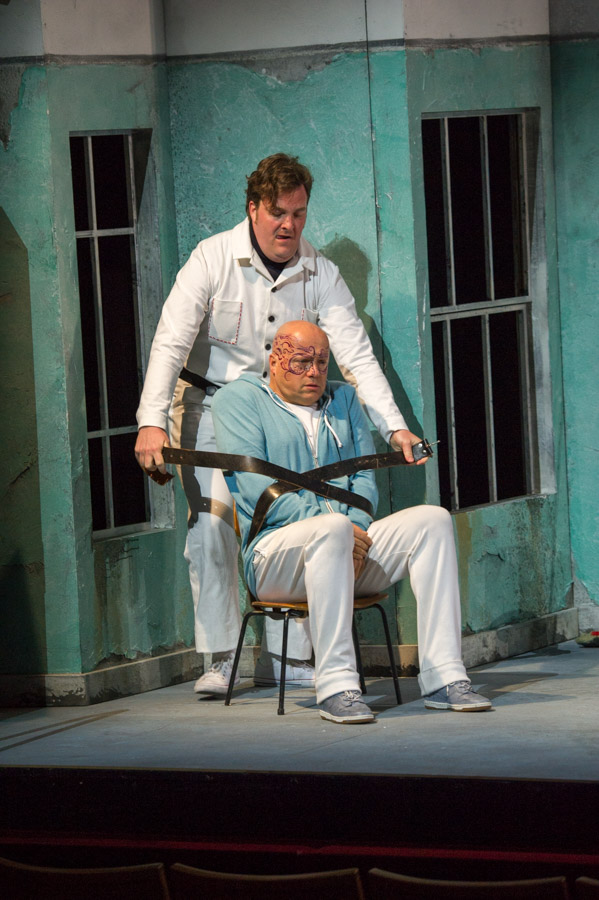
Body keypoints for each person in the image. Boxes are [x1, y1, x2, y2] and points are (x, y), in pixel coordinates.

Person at [134, 153, 423, 694]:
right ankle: (222, 656)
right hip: (210, 406)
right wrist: (151, 421)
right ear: (253, 208)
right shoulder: (211, 258)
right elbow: (170, 343)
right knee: (213, 523)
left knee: (297, 520)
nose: (289, 225)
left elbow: (356, 357)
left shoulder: (320, 273)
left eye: (299, 213)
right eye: (278, 212)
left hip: (284, 414)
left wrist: (395, 429)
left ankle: (289, 658)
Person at [211, 320, 492, 723]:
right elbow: (258, 490)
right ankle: (337, 686)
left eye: (322, 363)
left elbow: (364, 482)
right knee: (333, 529)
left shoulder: (342, 399)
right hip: (274, 558)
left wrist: (354, 531)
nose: (314, 373)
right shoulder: (237, 400)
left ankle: (445, 678)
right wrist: (340, 530)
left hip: (347, 546)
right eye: (301, 362)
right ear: (274, 361)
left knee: (433, 521)